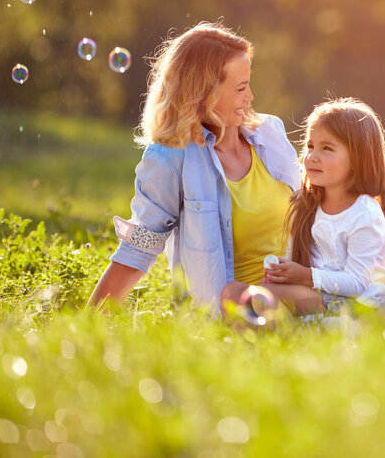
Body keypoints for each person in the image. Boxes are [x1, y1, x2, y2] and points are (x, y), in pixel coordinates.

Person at [87, 21, 301, 313]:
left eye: (249, 84)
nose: (250, 96)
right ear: (205, 93)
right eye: (240, 88)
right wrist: (88, 323)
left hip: (296, 299)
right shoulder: (171, 157)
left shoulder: (270, 133)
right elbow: (140, 247)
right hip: (229, 318)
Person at [220, 98, 385, 317]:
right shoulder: (305, 205)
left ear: (357, 159)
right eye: (311, 146)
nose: (312, 157)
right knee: (232, 292)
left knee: (262, 296)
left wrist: (306, 276)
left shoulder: (365, 214)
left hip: (355, 305)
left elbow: (358, 283)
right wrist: (281, 271)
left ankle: (271, 339)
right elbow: (292, 257)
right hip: (315, 293)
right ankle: (256, 339)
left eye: (327, 149)